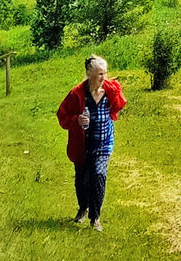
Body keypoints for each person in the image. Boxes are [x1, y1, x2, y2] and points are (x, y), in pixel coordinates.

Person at [56, 55, 126, 231]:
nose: (103, 78)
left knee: (99, 176)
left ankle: (95, 218)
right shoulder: (77, 94)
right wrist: (76, 120)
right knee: (82, 179)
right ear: (89, 74)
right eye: (99, 74)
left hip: (104, 143)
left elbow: (119, 104)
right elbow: (62, 116)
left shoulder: (110, 89)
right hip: (83, 146)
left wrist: (111, 114)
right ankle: (83, 209)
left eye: (105, 73)